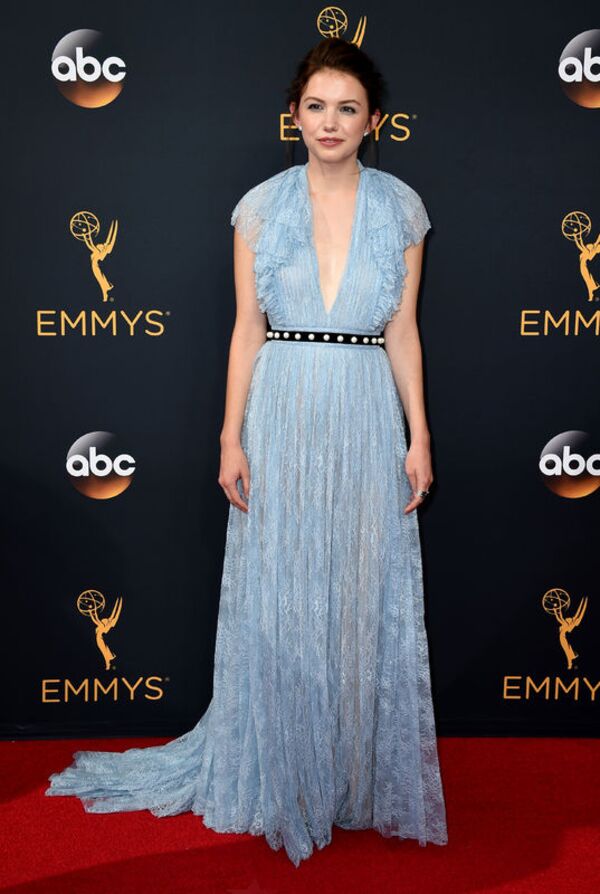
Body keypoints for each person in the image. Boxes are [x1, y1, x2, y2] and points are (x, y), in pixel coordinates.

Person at [45, 37, 449, 867]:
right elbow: (246, 330)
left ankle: (350, 776)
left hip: (365, 411)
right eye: (316, 106)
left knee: (359, 595)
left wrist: (419, 434)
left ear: (373, 121)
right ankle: (284, 771)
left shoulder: (402, 208)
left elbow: (404, 331)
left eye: (347, 108)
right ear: (293, 114)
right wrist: (231, 435)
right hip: (283, 410)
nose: (330, 122)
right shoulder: (259, 208)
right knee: (285, 596)